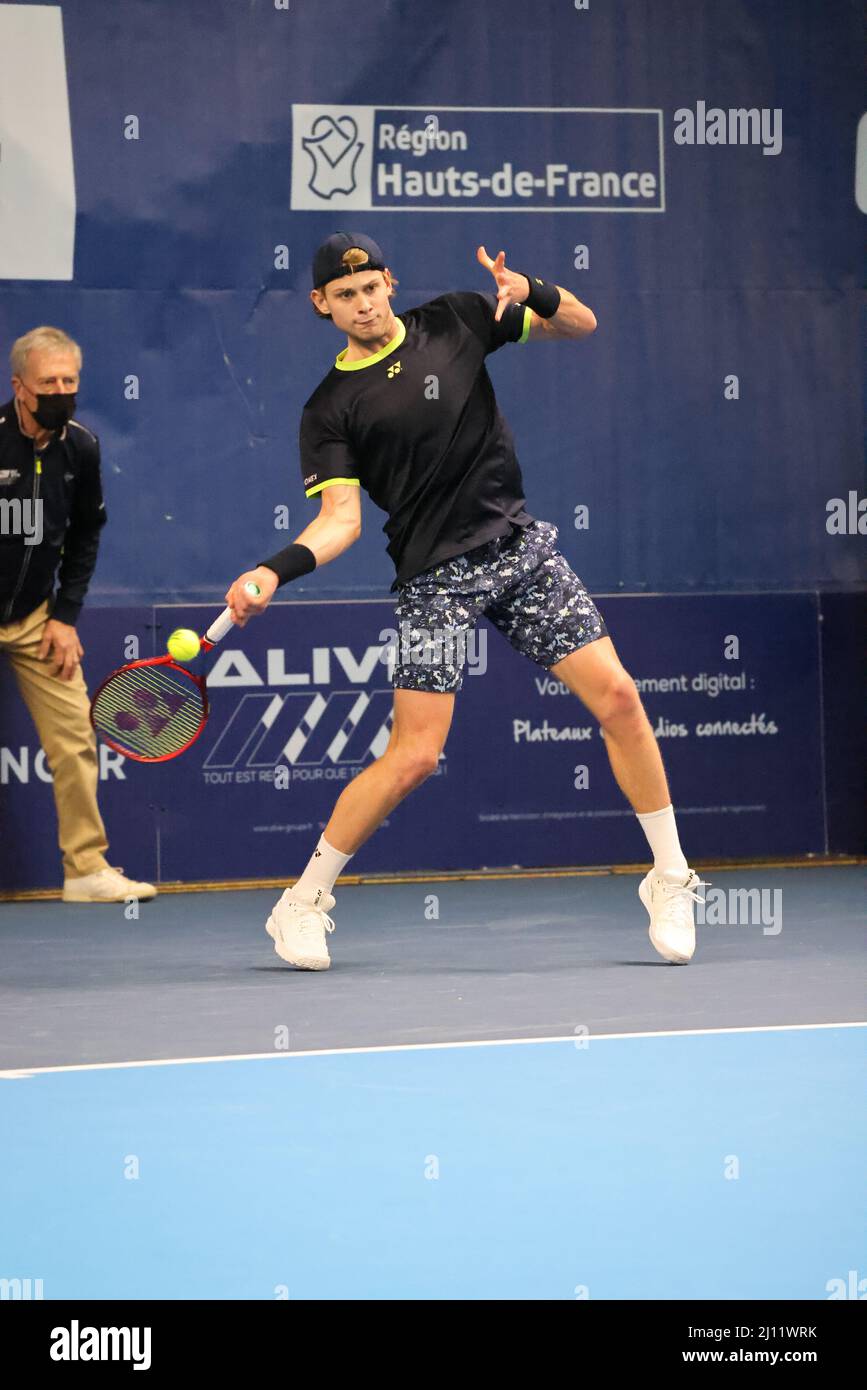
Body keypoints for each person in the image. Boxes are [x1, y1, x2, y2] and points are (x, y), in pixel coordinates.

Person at [226, 233, 702, 970]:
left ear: (389, 281)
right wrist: (272, 571)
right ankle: (300, 903)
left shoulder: (454, 319)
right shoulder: (329, 409)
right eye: (344, 296)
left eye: (370, 287)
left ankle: (669, 876)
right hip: (433, 579)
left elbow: (581, 324)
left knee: (618, 699)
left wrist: (534, 291)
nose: (362, 303)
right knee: (414, 758)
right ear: (322, 305)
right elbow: (340, 521)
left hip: (517, 548)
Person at [0, 327, 156, 903]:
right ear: (20, 387)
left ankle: (85, 869)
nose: (61, 392)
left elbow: (87, 533)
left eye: (69, 381)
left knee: (74, 739)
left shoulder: (81, 447)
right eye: (48, 383)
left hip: (38, 619)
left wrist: (64, 616)